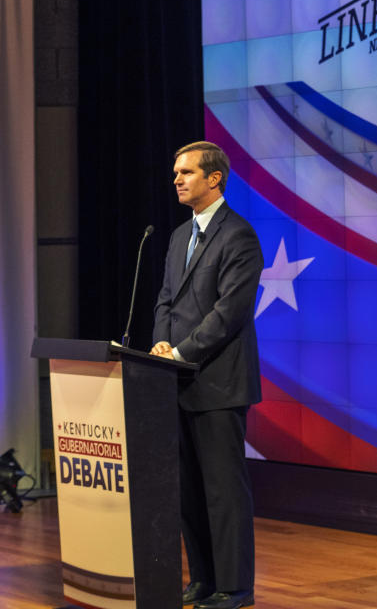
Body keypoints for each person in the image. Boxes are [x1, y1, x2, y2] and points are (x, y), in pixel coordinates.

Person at [150, 141, 263, 609]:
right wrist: (159, 348)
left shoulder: (239, 235)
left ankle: (234, 587)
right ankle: (201, 579)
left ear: (214, 178)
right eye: (176, 172)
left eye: (186, 172)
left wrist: (180, 351)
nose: (177, 179)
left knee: (222, 492)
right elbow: (165, 299)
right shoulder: (179, 236)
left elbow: (228, 313)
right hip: (175, 379)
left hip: (218, 381)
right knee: (189, 490)